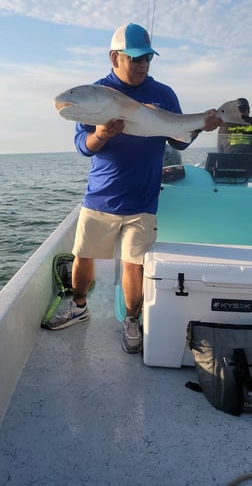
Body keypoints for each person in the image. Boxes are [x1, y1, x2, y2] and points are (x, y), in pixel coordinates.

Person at [48, 22, 221, 353]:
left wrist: (202, 126)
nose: (142, 65)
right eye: (135, 58)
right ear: (115, 57)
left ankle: (131, 320)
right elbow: (83, 146)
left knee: (133, 265)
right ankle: (79, 306)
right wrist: (102, 134)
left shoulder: (163, 93)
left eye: (147, 59)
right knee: (83, 256)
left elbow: (179, 141)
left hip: (143, 199)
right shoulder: (96, 94)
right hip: (101, 196)